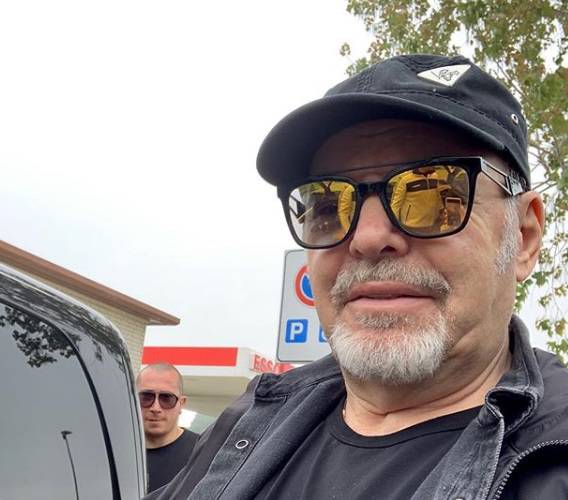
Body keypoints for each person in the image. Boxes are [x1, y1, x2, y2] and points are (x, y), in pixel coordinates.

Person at [145, 55, 568, 499]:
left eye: (431, 195)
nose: (367, 237)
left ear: (523, 237)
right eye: (328, 204)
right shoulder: (249, 421)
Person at [136, 362, 199, 493]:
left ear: (181, 404)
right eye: (146, 397)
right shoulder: (113, 450)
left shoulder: (202, 454)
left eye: (166, 398)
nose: (155, 408)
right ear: (134, 400)